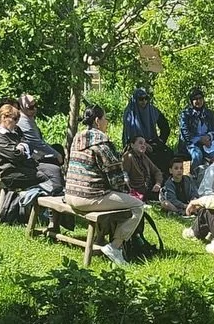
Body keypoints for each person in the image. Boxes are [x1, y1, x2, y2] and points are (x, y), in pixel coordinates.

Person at [66, 104, 145, 266]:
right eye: (105, 118)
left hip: (70, 195)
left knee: (116, 200)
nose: (107, 121)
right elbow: (116, 178)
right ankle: (115, 247)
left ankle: (102, 237)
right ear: (97, 121)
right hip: (88, 199)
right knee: (137, 206)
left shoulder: (76, 138)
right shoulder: (102, 143)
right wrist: (127, 191)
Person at [0, 103, 62, 224]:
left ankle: (43, 206)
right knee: (52, 177)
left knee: (55, 169)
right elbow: (15, 155)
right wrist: (22, 150)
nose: (16, 122)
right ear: (3, 118)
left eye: (18, 119)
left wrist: (21, 147)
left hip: (25, 167)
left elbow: (26, 144)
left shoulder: (15, 130)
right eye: (14, 119)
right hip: (12, 173)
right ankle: (40, 208)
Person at [122, 87, 172, 170]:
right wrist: (143, 144)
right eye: (141, 99)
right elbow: (129, 137)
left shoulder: (152, 110)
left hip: (152, 143)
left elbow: (165, 127)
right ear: (135, 100)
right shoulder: (130, 114)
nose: (144, 101)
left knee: (168, 154)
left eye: (146, 98)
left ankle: (163, 180)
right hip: (135, 146)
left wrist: (160, 142)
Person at [178, 87, 214, 169]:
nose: (198, 101)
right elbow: (185, 134)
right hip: (191, 143)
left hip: (207, 143)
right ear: (191, 101)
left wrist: (209, 137)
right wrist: (200, 139)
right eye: (195, 99)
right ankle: (194, 177)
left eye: (200, 98)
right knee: (197, 155)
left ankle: (211, 177)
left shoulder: (210, 113)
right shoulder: (186, 114)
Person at [17, 93, 63, 166]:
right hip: (31, 155)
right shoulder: (23, 121)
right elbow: (37, 143)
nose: (35, 109)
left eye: (36, 105)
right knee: (56, 159)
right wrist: (56, 154)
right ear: (23, 108)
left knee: (58, 148)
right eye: (31, 107)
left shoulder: (29, 118)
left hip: (36, 152)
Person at [122, 135, 163, 202]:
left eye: (144, 144)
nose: (143, 145)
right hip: (136, 192)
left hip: (148, 189)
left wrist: (158, 183)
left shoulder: (144, 157)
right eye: (140, 143)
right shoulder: (128, 156)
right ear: (132, 145)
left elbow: (157, 171)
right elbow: (124, 174)